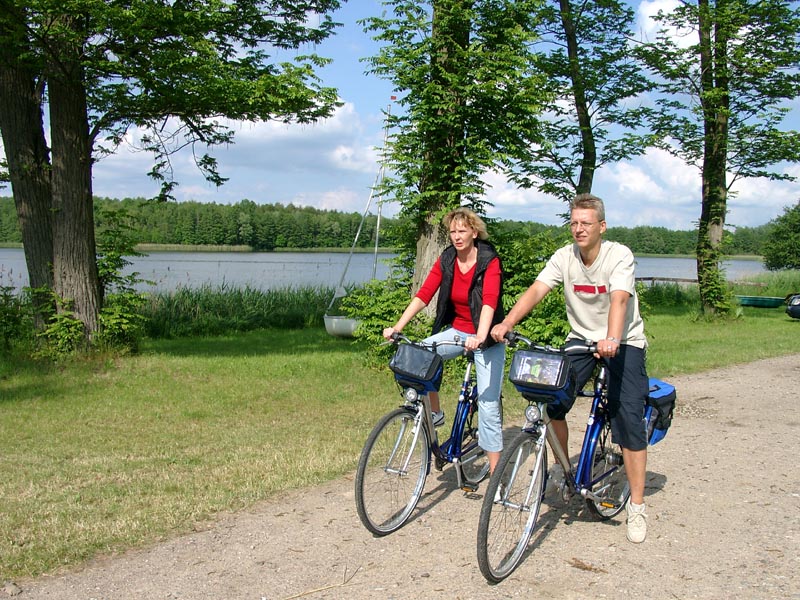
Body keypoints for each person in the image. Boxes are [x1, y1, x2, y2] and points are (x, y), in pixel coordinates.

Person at [490, 193, 650, 543]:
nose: (578, 229)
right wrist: (507, 323)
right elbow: (537, 289)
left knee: (628, 418)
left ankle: (636, 506)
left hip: (622, 342)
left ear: (601, 227)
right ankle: (565, 469)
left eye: (585, 223)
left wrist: (611, 338)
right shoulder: (564, 257)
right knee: (552, 402)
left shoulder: (618, 255)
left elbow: (620, 299)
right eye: (574, 223)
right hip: (580, 340)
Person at [383, 208, 506, 475]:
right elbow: (424, 293)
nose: (457, 236)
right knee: (421, 353)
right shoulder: (448, 258)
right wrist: (397, 327)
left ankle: (497, 475)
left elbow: (489, 302)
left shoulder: (489, 260)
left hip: (487, 339)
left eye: (462, 230)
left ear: (474, 232)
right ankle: (436, 413)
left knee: (487, 405)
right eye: (453, 231)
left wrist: (481, 336)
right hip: (458, 331)